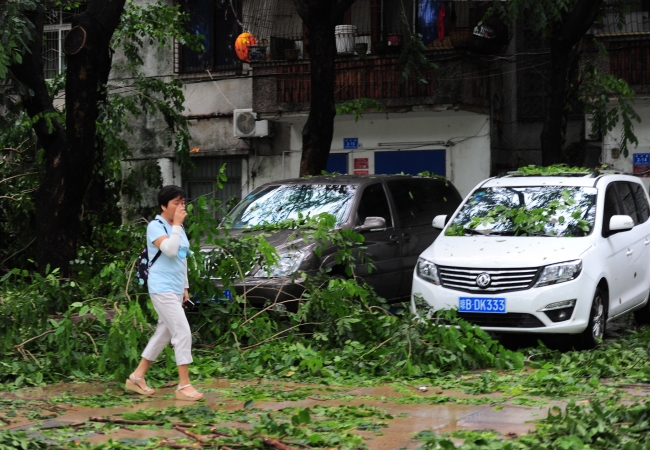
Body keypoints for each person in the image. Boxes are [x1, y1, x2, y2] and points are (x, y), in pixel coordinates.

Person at [125, 185, 204, 401]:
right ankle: (184, 385)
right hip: (161, 288)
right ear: (163, 205)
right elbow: (168, 250)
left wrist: (185, 287)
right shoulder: (155, 226)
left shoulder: (179, 228)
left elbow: (182, 258)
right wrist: (177, 225)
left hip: (176, 288)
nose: (181, 207)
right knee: (182, 332)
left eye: (183, 202)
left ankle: (137, 377)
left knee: (165, 333)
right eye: (176, 203)